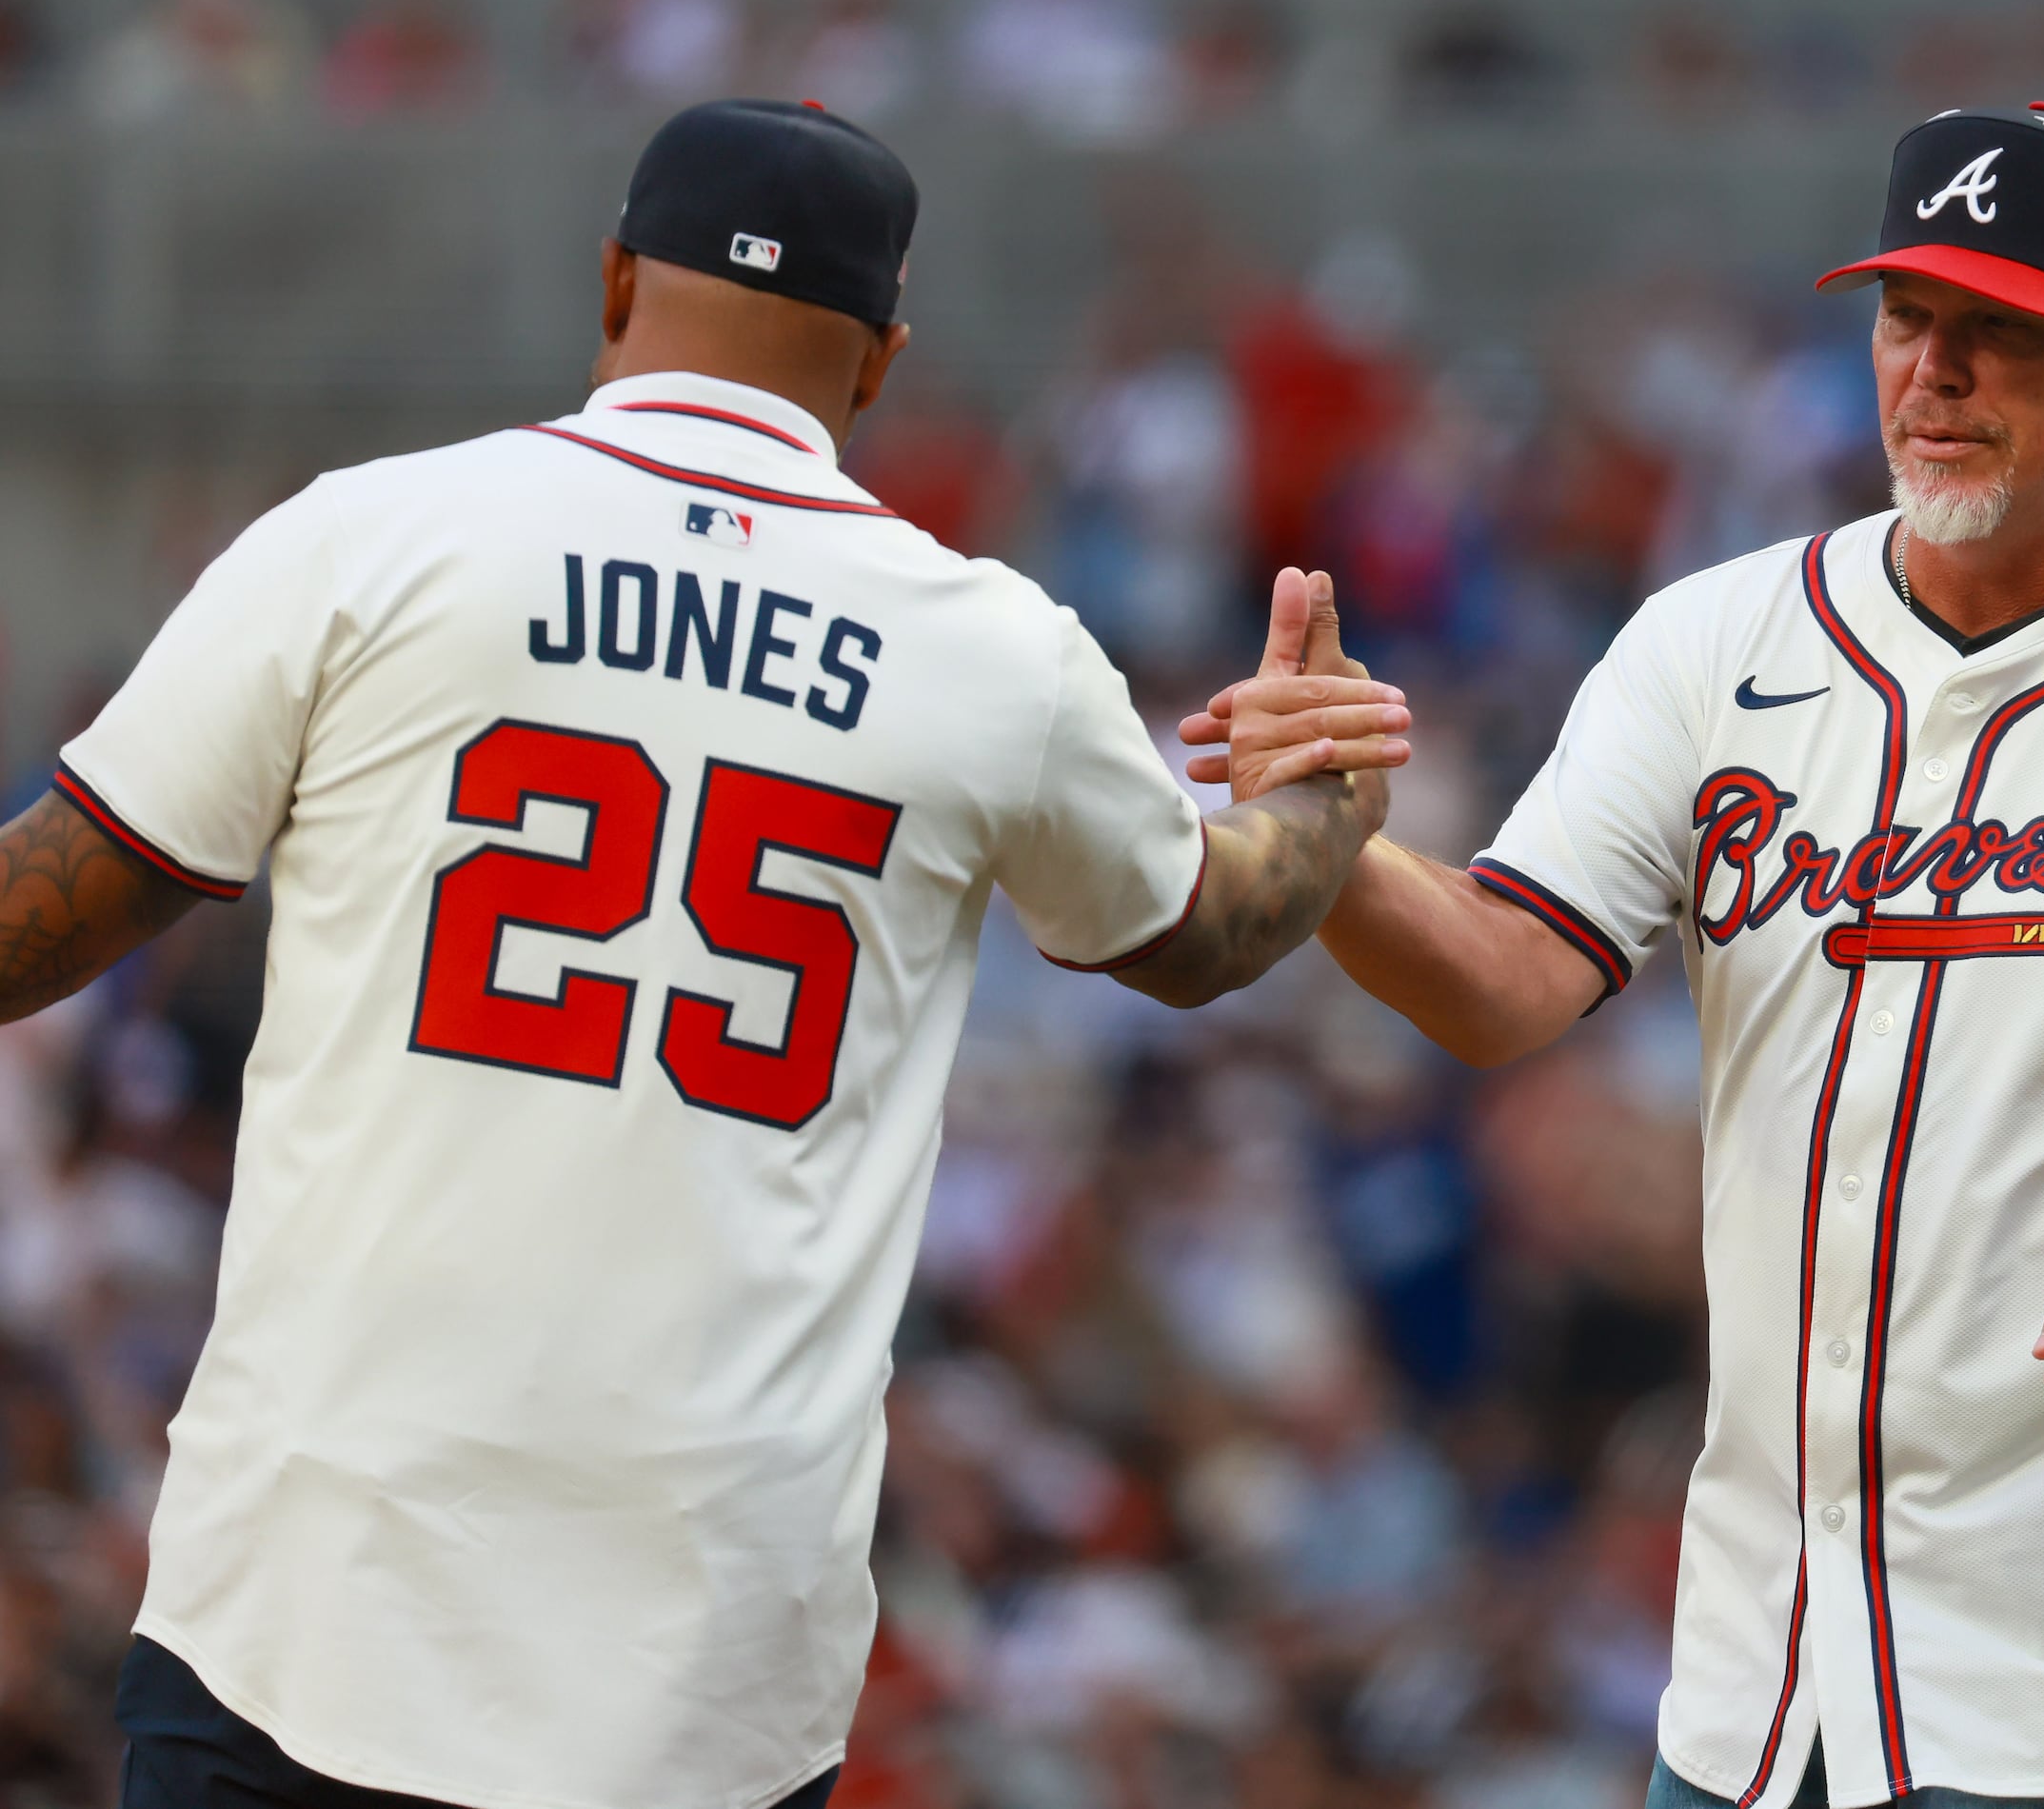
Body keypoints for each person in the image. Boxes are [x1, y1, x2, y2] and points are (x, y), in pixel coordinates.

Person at [0, 99, 1409, 1809]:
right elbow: (1209, 932)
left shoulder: (366, 537)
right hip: (702, 1668)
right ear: (882, 359)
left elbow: (41, 915)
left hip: (312, 1599)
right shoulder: (990, 650)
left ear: (612, 282)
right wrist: (1325, 795)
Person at [1201, 102, 2044, 1806]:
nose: (1938, 371)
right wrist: (1342, 857)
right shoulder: (1715, 640)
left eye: (2003, 328)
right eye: (1909, 317)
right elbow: (1499, 978)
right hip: (1754, 1679)